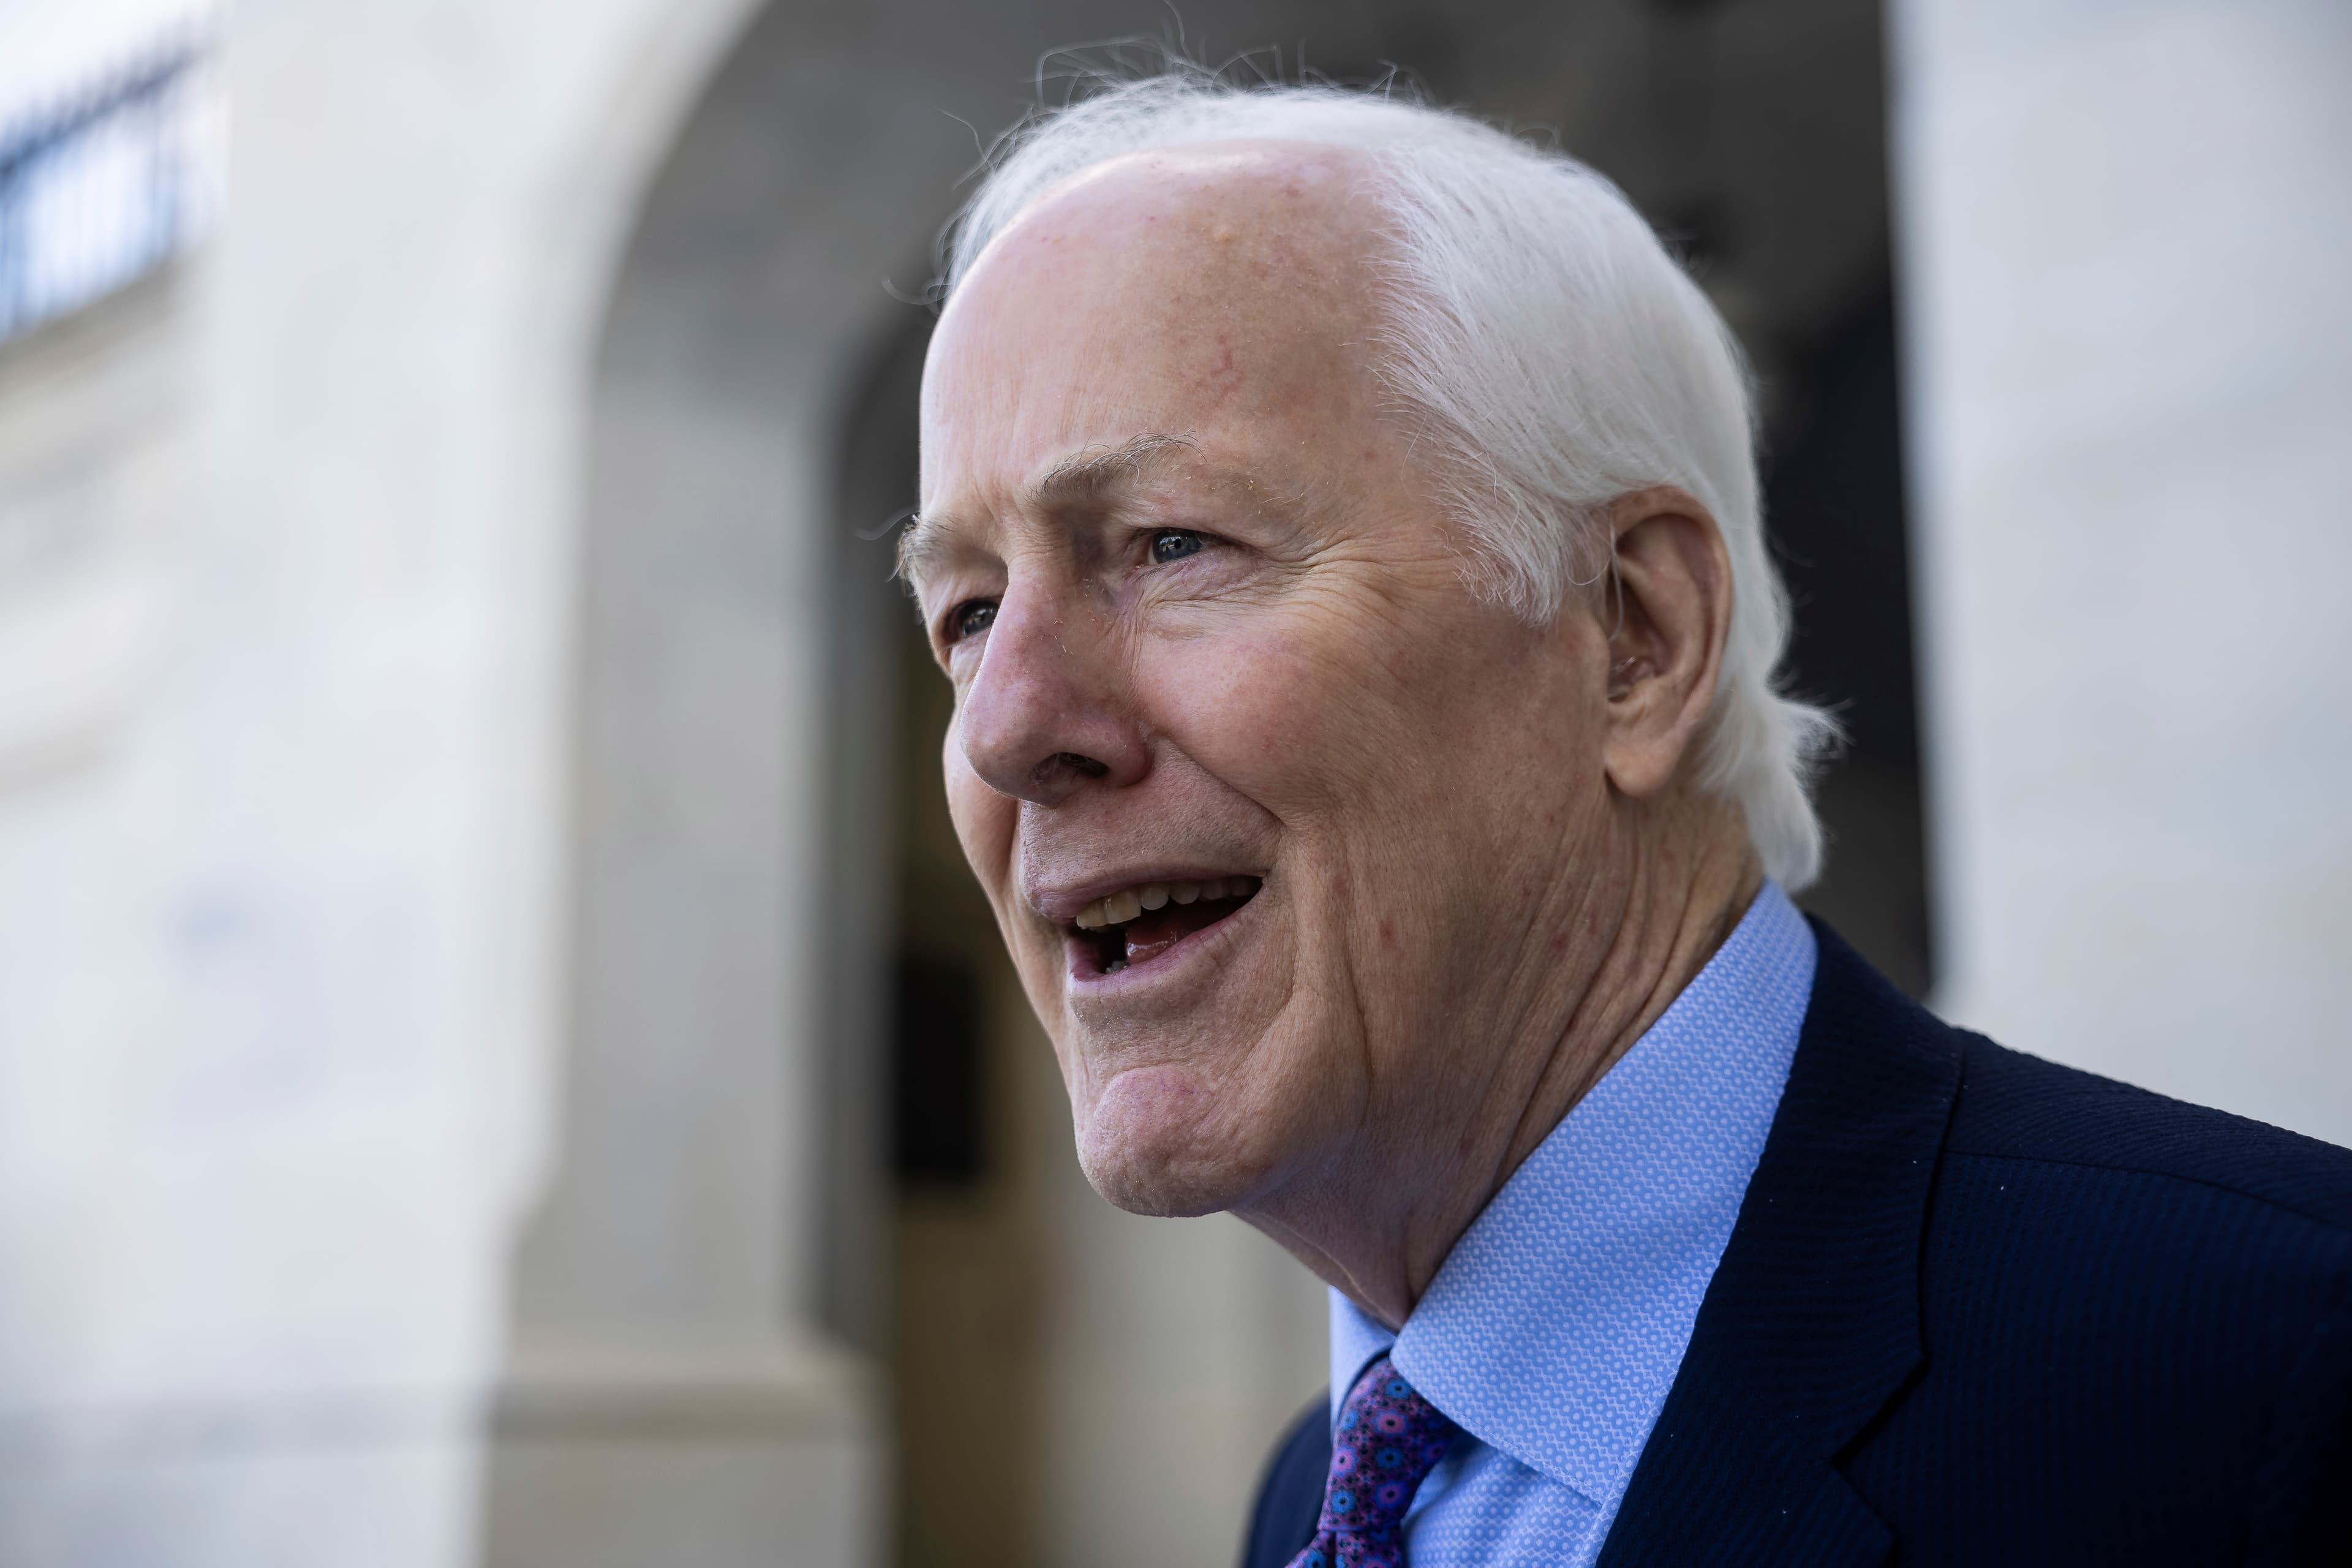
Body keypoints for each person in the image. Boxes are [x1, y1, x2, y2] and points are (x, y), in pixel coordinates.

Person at [899, 69, 2352, 1567]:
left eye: (1170, 543)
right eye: (968, 611)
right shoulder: (1319, 1493)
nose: (1005, 727)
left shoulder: (2273, 1387)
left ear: (1634, 636)